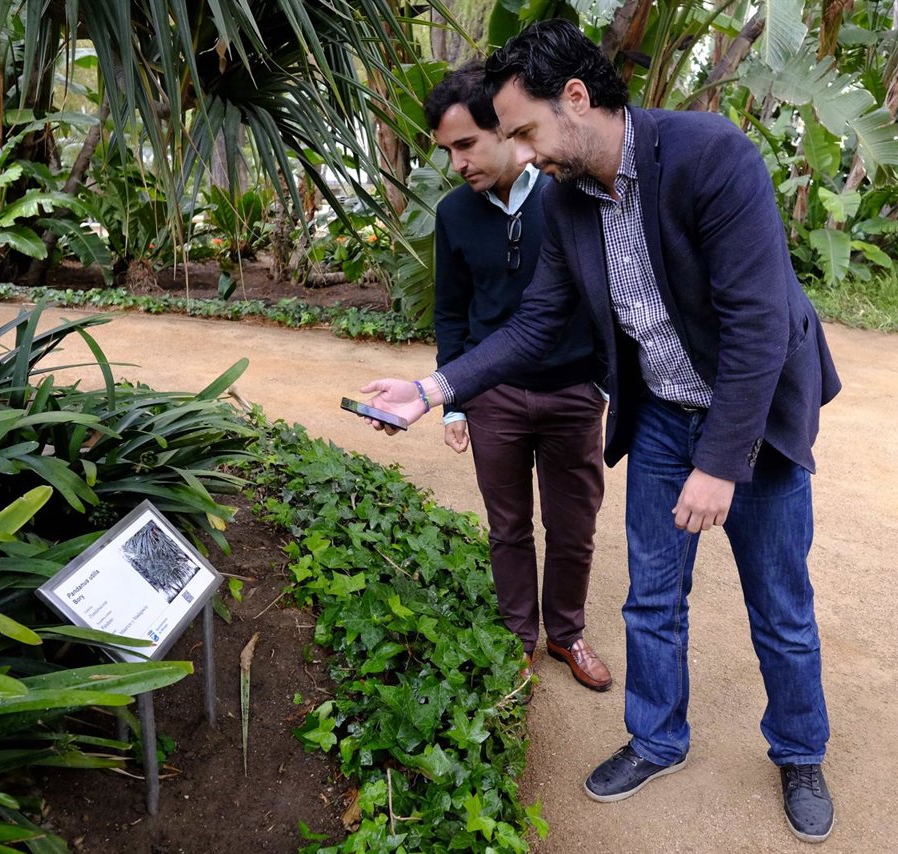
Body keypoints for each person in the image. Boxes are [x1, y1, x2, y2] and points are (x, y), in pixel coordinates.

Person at [358, 19, 842, 844]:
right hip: (658, 415)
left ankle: (799, 751)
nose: (519, 149)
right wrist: (435, 386)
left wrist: (722, 464)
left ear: (575, 99)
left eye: (522, 130)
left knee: (780, 604)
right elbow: (537, 321)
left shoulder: (709, 156)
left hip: (750, 418)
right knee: (652, 598)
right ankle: (657, 738)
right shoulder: (573, 199)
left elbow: (759, 324)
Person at [422, 64, 612, 693]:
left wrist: (602, 385)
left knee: (573, 525)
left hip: (572, 392)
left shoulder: (569, 196)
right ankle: (516, 638)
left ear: (505, 131)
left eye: (467, 144)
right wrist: (453, 403)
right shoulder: (454, 214)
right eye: (447, 151)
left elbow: (608, 293)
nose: (457, 164)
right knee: (506, 526)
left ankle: (566, 633)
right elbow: (451, 313)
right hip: (492, 396)